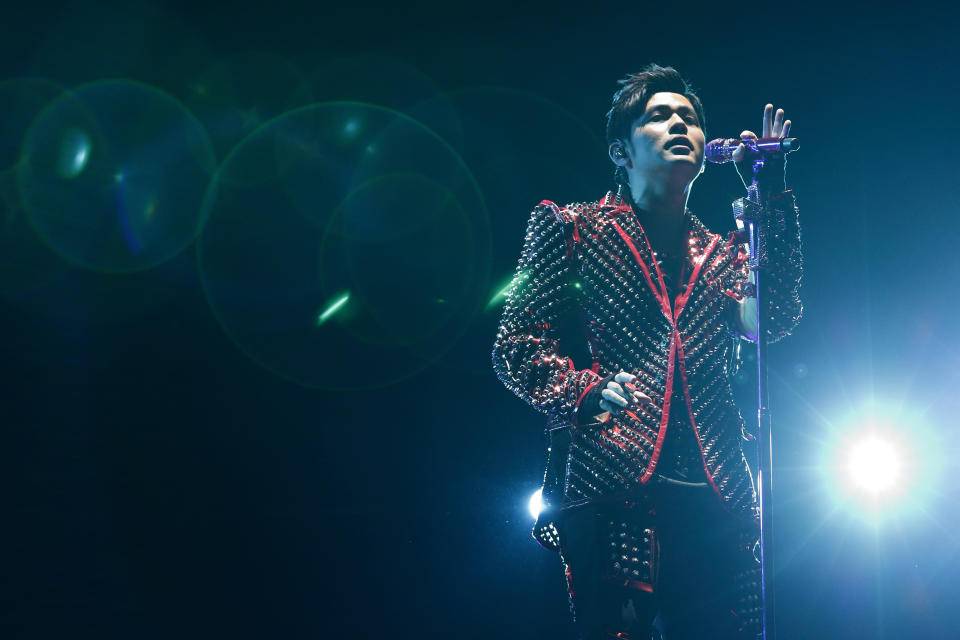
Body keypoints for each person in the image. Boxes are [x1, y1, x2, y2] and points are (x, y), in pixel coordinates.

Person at [491, 64, 802, 639]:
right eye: (659, 116)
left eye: (689, 118)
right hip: (616, 485)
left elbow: (769, 319)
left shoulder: (722, 251)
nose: (678, 125)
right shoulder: (572, 229)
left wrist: (772, 196)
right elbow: (515, 345)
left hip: (718, 491)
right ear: (620, 150)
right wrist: (582, 388)